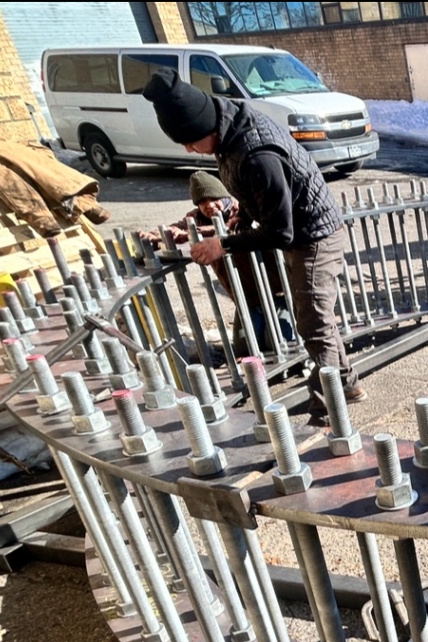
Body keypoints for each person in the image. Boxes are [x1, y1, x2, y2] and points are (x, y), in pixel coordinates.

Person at [142, 67, 364, 426]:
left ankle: (328, 414)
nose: (189, 149)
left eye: (191, 141)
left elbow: (280, 232)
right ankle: (347, 385)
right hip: (302, 230)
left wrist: (224, 244)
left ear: (206, 127)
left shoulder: (256, 152)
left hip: (315, 235)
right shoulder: (229, 127)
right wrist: (243, 215)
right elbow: (250, 187)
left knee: (314, 324)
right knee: (317, 319)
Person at [140, 171, 291, 355]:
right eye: (202, 202)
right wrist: (154, 235)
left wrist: (193, 234)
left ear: (225, 196)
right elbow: (174, 228)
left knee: (279, 343)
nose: (209, 205)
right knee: (246, 350)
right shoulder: (195, 219)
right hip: (246, 299)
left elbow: (230, 231)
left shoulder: (243, 211)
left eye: (214, 198)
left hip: (276, 292)